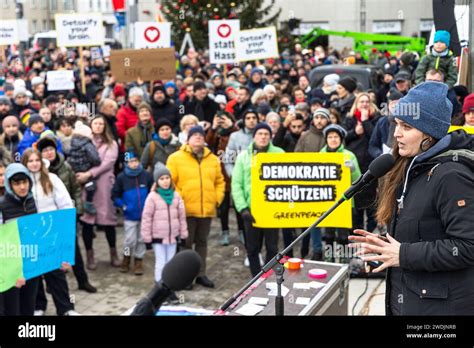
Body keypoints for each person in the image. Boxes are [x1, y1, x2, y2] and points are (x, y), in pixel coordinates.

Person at [349, 82, 474, 315]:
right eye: (397, 124)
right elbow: (424, 231)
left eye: (406, 127)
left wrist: (403, 254)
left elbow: (468, 246)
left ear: (430, 133)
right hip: (411, 300)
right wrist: (384, 247)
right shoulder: (411, 166)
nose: (396, 134)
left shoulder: (452, 176)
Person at [20, 148, 79, 316]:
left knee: (56, 272)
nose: (34, 164)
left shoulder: (52, 179)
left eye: (36, 160)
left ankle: (66, 308)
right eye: (30, 161)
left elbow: (65, 204)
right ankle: (39, 305)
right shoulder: (21, 182)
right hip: (31, 234)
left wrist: (64, 229)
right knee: (35, 273)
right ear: (25, 163)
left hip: (51, 233)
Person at [166, 126, 225, 288]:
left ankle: (200, 274)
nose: (198, 137)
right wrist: (180, 201)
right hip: (185, 210)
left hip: (206, 209)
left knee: (202, 242)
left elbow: (220, 182)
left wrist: (216, 199)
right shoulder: (175, 158)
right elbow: (170, 182)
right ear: (188, 139)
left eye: (201, 135)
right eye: (195, 135)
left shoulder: (212, 159)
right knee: (186, 244)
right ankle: (186, 277)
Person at [37, 137, 96, 294]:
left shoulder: (66, 167)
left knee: (73, 249)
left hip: (65, 214)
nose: (49, 153)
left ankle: (83, 281)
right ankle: (52, 283)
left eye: (51, 149)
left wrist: (77, 210)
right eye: (45, 151)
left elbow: (76, 189)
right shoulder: (39, 172)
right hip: (48, 219)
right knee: (51, 252)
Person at [232, 123, 284, 277]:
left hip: (272, 210)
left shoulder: (279, 154)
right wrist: (242, 208)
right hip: (251, 210)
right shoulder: (243, 157)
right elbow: (236, 184)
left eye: (266, 134)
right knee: (253, 248)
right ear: (254, 136)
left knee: (272, 247)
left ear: (271, 136)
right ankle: (255, 278)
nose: (263, 137)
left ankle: (266, 277)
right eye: (260, 134)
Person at [77, 115, 119, 270]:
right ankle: (90, 255)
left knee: (108, 221)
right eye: (96, 123)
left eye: (101, 123)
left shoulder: (112, 143)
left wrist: (89, 174)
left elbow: (108, 163)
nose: (99, 126)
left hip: (104, 185)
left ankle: (113, 253)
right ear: (91, 125)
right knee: (87, 221)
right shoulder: (84, 142)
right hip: (87, 187)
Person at [141, 164, 188, 303]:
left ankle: (169, 290)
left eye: (167, 178)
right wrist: (147, 238)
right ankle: (159, 290)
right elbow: (146, 218)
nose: (165, 181)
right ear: (157, 181)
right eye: (162, 178)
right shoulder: (152, 197)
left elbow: (181, 216)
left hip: (172, 237)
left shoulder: (176, 196)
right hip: (158, 237)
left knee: (170, 264)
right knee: (161, 263)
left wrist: (183, 234)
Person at [0, 163, 38, 315]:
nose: (22, 187)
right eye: (17, 183)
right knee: (12, 308)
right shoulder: (2, 205)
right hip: (10, 268)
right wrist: (14, 271)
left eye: (25, 182)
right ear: (9, 184)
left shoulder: (32, 201)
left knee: (29, 306)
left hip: (31, 265)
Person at [320, 124, 361, 261]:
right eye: (330, 137)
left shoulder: (349, 155)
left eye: (336, 137)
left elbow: (358, 179)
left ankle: (344, 261)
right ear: (326, 140)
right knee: (328, 235)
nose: (333, 140)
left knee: (343, 236)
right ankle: (329, 260)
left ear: (341, 139)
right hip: (326, 201)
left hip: (345, 202)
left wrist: (353, 169)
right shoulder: (320, 155)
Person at [344, 92, 382, 233]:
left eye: (367, 101)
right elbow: (343, 138)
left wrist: (365, 122)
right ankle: (357, 234)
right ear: (356, 104)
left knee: (371, 205)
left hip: (370, 166)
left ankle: (370, 234)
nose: (364, 104)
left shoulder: (377, 118)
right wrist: (355, 132)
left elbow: (375, 136)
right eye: (361, 102)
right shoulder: (349, 119)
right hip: (354, 167)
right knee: (356, 206)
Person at [112, 151, 153, 275]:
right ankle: (126, 257)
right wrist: (123, 206)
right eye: (130, 162)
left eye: (135, 161)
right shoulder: (121, 178)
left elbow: (152, 191)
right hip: (130, 215)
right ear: (126, 163)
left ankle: (138, 260)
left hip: (144, 215)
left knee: (141, 239)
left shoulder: (146, 175)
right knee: (129, 240)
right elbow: (115, 195)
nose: (134, 164)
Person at [205, 111, 238, 246]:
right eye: (219, 120)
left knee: (238, 206)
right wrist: (213, 127)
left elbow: (240, 140)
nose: (221, 122)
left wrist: (232, 127)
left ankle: (241, 231)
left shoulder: (235, 133)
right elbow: (207, 143)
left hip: (234, 171)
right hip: (220, 173)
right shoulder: (215, 133)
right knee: (223, 207)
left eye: (224, 119)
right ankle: (225, 231)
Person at [67, 121, 101, 215]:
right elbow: (95, 158)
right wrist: (97, 161)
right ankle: (89, 202)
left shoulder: (72, 143)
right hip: (85, 169)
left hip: (74, 170)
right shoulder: (88, 144)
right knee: (91, 184)